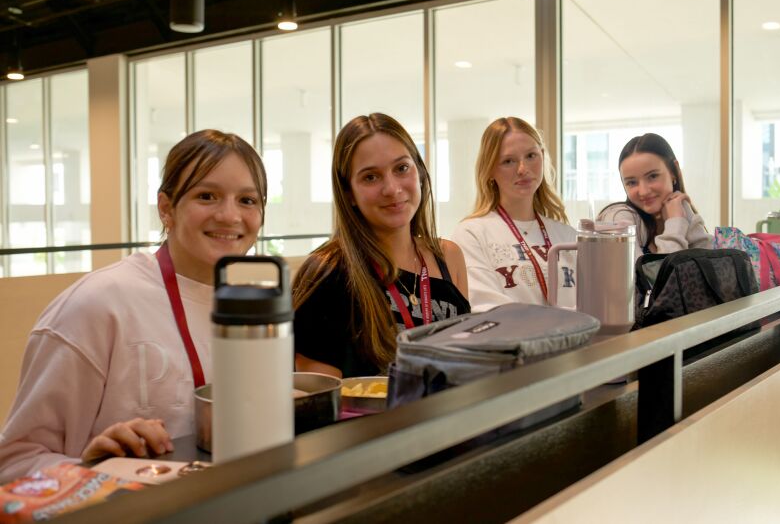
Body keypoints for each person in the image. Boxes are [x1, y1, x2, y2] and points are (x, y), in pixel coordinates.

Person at [0, 130, 267, 482]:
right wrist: (90, 467)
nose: (230, 216)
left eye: (247, 200)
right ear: (166, 208)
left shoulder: (258, 307)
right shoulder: (96, 305)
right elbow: (14, 463)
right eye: (207, 196)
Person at [292, 113, 469, 378]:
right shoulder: (326, 273)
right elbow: (321, 403)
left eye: (401, 168)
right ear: (349, 193)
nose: (392, 188)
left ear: (419, 172)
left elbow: (468, 362)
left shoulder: (448, 256)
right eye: (371, 177)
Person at [451, 117, 577, 312]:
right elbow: (487, 309)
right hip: (513, 342)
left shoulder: (567, 235)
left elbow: (594, 305)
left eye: (531, 156)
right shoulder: (471, 234)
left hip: (580, 342)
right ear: (490, 169)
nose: (523, 169)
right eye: (508, 161)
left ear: (542, 156)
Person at [598, 132, 711, 254]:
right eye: (631, 182)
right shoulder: (619, 218)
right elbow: (659, 273)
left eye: (653, 176)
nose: (643, 191)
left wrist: (685, 215)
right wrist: (675, 223)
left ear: (674, 171)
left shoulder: (678, 207)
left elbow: (711, 266)